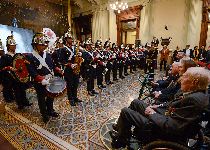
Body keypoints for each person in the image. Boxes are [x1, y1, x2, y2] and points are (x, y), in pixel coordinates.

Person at [110, 67, 210, 149]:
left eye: (185, 76)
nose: (181, 78)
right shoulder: (194, 92)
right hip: (165, 115)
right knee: (136, 102)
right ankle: (121, 129)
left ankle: (121, 141)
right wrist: (158, 105)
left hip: (162, 127)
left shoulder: (195, 100)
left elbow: (173, 126)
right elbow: (173, 103)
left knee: (125, 111)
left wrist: (152, 114)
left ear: (194, 82)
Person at [26, 32, 61, 123]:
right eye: (41, 44)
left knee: (51, 96)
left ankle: (50, 110)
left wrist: (58, 69)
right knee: (41, 98)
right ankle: (44, 114)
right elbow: (31, 71)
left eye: (45, 44)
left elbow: (52, 66)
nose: (44, 46)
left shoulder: (48, 55)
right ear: (35, 45)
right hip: (39, 81)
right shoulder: (30, 56)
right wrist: (40, 79)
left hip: (50, 79)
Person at [0, 33, 32, 108]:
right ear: (8, 46)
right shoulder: (5, 56)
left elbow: (22, 64)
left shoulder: (18, 55)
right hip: (11, 76)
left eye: (15, 45)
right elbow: (1, 68)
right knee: (17, 90)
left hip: (20, 75)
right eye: (12, 45)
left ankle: (25, 101)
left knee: (22, 89)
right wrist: (9, 68)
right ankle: (20, 104)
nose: (14, 46)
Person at [54, 28, 82, 106]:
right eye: (69, 38)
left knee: (76, 83)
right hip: (68, 69)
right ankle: (71, 98)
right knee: (70, 84)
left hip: (76, 67)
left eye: (71, 38)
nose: (71, 39)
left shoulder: (74, 48)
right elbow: (61, 60)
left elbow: (76, 57)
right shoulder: (62, 49)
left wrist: (79, 55)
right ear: (66, 39)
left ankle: (75, 97)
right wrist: (70, 65)